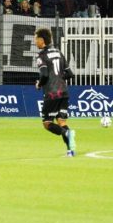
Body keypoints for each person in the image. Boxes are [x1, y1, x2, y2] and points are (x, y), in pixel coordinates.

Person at [34, 27, 76, 157]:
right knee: (62, 122)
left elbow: (45, 75)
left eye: (36, 39)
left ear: (42, 40)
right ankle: (70, 150)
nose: (35, 42)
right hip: (63, 92)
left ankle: (66, 133)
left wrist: (39, 84)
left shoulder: (42, 56)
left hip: (52, 93)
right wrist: (59, 79)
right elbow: (70, 74)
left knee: (47, 123)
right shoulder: (58, 52)